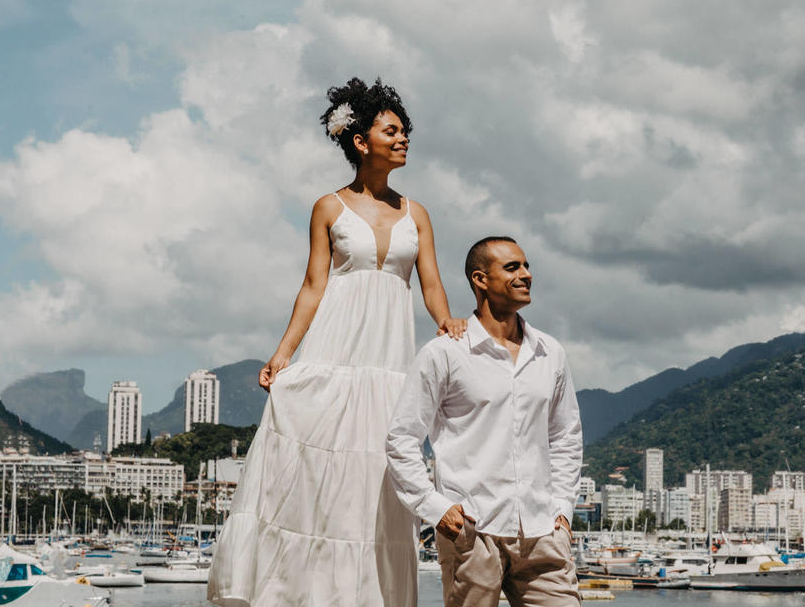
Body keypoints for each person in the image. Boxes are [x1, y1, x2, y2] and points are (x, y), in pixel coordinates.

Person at [208, 78, 467, 607]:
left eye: (405, 133)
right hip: (334, 348)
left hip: (387, 359)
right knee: (318, 477)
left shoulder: (417, 213)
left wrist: (448, 323)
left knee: (376, 472)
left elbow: (432, 284)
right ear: (359, 141)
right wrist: (283, 355)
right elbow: (313, 285)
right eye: (391, 131)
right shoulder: (327, 207)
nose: (403, 141)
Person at [386, 237, 584, 607]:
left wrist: (563, 509)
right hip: (472, 531)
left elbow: (566, 436)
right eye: (512, 267)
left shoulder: (550, 353)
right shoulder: (444, 354)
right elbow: (401, 439)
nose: (526, 275)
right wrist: (435, 508)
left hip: (543, 530)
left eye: (526, 266)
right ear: (480, 279)